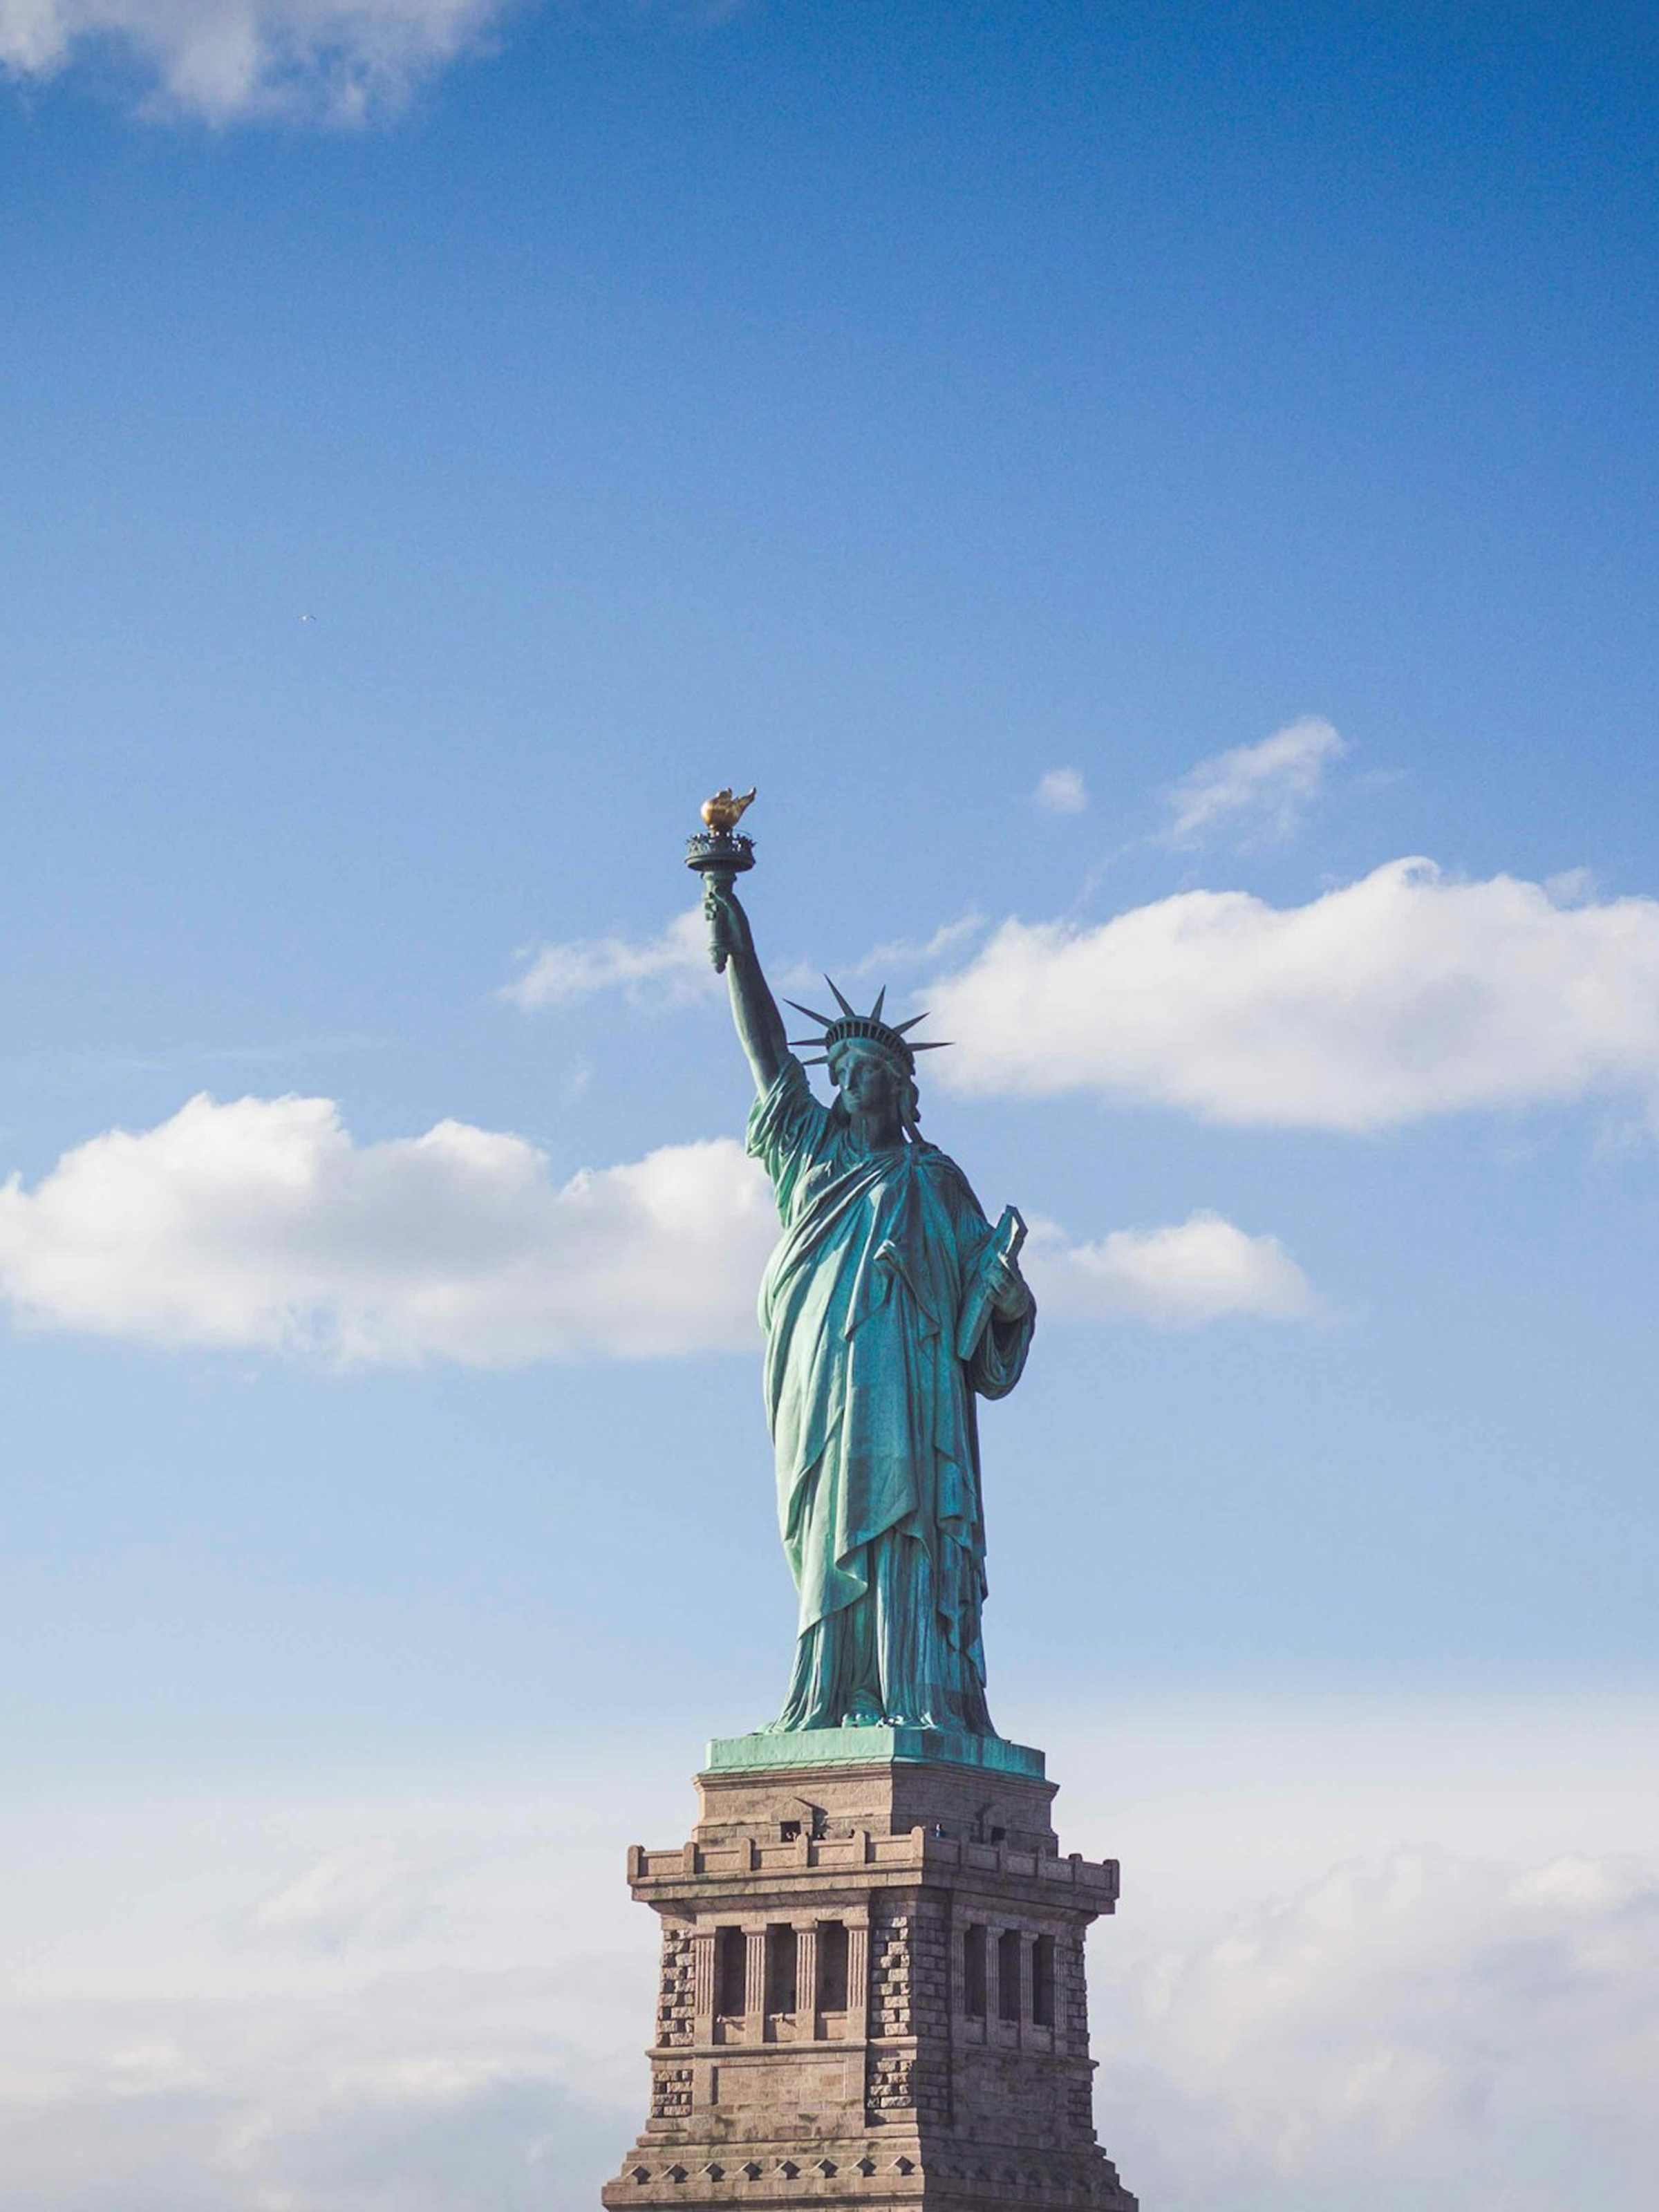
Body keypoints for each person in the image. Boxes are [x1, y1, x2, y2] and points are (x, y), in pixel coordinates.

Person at [706, 879, 1035, 1736]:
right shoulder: (808, 1151)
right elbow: (766, 1048)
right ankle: (829, 1689)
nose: (846, 1083)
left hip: (912, 1389)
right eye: (839, 1071)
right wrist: (735, 936)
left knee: (909, 1526)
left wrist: (1005, 1299)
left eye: (865, 1073)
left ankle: (913, 1691)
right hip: (822, 1376)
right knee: (828, 1531)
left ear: (900, 1088)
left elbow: (986, 1321)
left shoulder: (936, 1181)